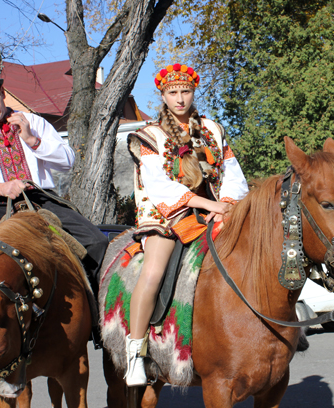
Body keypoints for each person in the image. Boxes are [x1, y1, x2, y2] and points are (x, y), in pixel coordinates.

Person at [125, 63, 249, 386]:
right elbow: (161, 188)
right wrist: (212, 205)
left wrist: (228, 207)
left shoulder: (213, 130)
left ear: (194, 92)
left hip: (214, 211)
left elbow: (233, 174)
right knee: (153, 272)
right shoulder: (150, 135)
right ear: (163, 95)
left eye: (185, 91)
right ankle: (135, 354)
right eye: (172, 92)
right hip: (165, 215)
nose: (180, 98)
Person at [0, 66, 108, 303]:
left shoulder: (34, 122)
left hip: (40, 199)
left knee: (97, 241)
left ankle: (98, 315)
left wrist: (32, 140)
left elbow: (68, 162)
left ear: (2, 92)